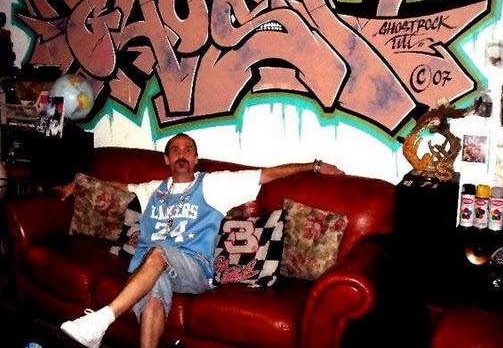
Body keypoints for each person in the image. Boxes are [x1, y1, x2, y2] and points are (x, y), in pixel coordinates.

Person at [57, 133, 344, 348]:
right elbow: (118, 187)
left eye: (188, 150)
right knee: (154, 295)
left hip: (195, 268)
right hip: (149, 268)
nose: (182, 154)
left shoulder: (214, 184)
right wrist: (77, 186)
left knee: (158, 252)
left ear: (196, 158)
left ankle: (101, 320)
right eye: (175, 150)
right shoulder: (152, 189)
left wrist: (315, 165)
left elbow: (267, 174)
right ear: (166, 159)